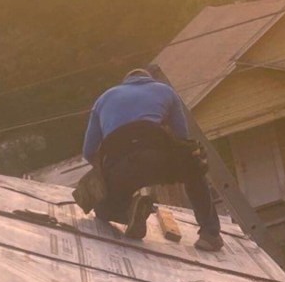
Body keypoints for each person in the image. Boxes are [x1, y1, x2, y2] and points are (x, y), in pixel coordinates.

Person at [82, 68, 224, 251]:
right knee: (193, 167)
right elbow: (182, 136)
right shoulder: (165, 91)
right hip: (158, 158)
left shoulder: (103, 99)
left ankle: (127, 212)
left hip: (120, 164)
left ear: (125, 82)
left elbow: (88, 151)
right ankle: (210, 234)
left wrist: (105, 177)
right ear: (148, 80)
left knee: (102, 211)